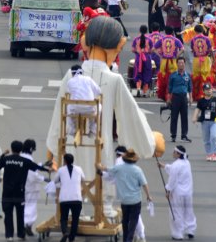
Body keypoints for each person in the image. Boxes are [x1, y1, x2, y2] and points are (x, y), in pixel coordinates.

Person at [47, 16, 156, 222]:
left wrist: (52, 147)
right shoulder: (114, 79)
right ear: (116, 46)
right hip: (100, 142)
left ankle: (67, 208)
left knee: (71, 176)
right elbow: (130, 115)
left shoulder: (71, 76)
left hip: (71, 141)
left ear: (87, 42)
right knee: (102, 174)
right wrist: (147, 141)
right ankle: (104, 209)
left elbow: (56, 116)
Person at [0, 140, 53, 241]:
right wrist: (47, 170)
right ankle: (21, 234)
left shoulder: (6, 159)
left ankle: (9, 236)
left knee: (8, 215)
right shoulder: (24, 161)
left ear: (12, 148)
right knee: (20, 214)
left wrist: (3, 155)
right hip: (19, 192)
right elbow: (35, 167)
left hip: (7, 192)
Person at [97, 150, 153, 242]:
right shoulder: (138, 170)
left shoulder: (119, 168)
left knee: (125, 221)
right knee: (133, 222)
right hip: (135, 200)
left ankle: (126, 239)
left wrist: (99, 166)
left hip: (124, 200)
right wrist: (148, 195)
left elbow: (107, 169)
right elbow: (144, 184)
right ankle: (129, 239)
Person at [159, 145, 196, 240]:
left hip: (178, 193)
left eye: (174, 152)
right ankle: (190, 230)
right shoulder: (187, 162)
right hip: (188, 192)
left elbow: (172, 179)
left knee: (176, 212)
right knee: (189, 211)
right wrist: (164, 166)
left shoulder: (176, 165)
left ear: (178, 154)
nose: (173, 153)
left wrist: (168, 191)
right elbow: (174, 170)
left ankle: (178, 233)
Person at [66, 64, 102, 139]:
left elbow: (69, 93)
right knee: (99, 106)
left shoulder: (70, 81)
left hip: (75, 110)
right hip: (89, 109)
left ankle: (73, 130)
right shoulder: (88, 79)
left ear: (72, 73)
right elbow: (98, 91)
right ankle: (92, 130)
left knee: (68, 106)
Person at [55, 153, 85, 242]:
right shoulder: (79, 169)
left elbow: (55, 180)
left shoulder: (61, 170)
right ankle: (71, 238)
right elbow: (83, 178)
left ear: (64, 161)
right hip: (77, 198)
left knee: (64, 218)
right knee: (75, 219)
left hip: (65, 198)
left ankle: (65, 232)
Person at [22, 139, 47, 235]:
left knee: (25, 206)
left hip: (23, 186)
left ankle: (24, 225)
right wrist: (44, 179)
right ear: (31, 149)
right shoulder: (28, 158)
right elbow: (32, 175)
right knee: (30, 207)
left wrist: (41, 165)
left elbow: (32, 167)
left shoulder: (22, 157)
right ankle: (27, 225)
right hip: (31, 187)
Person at [194, 83, 216, 161]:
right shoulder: (201, 101)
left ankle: (214, 154)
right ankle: (209, 154)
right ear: (203, 91)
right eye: (206, 90)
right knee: (206, 139)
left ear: (212, 90)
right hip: (204, 122)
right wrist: (194, 118)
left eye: (210, 89)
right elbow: (197, 110)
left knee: (214, 136)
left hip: (214, 121)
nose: (209, 91)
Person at [167, 56, 192, 143]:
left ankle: (184, 135)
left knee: (184, 117)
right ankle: (173, 135)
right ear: (177, 64)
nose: (181, 64)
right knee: (174, 117)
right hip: (175, 98)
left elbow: (190, 88)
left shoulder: (187, 75)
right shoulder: (173, 75)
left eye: (182, 63)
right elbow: (169, 88)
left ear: (184, 64)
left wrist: (191, 98)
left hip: (184, 97)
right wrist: (168, 99)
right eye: (179, 63)